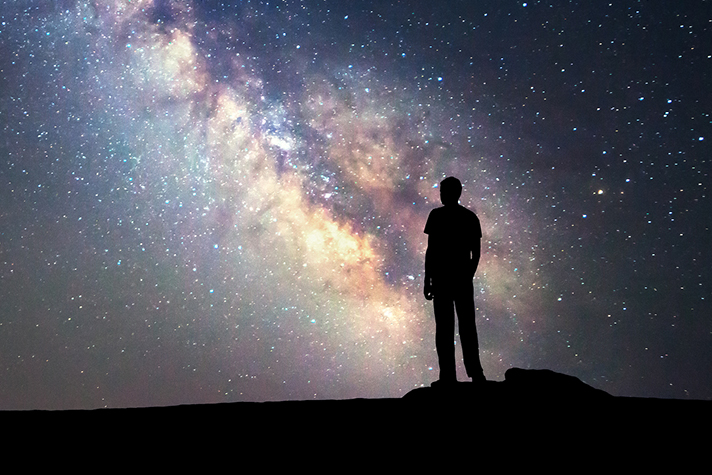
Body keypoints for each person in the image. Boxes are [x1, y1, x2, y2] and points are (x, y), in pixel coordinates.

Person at [424, 176, 486, 386]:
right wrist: (428, 278)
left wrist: (429, 278)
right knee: (453, 328)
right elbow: (431, 251)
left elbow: (474, 253)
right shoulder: (465, 217)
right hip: (451, 279)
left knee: (458, 328)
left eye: (444, 191)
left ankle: (467, 374)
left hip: (451, 279)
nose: (442, 195)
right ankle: (456, 375)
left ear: (454, 193)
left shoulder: (458, 217)